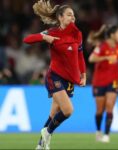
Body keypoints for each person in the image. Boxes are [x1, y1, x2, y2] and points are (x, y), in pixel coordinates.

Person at [23, 0, 86, 149]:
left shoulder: (77, 34)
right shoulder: (52, 33)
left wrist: (83, 74)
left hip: (70, 79)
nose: (73, 18)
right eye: (69, 15)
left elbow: (80, 55)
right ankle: (47, 132)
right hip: (55, 76)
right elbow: (27, 40)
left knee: (53, 114)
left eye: (74, 15)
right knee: (68, 110)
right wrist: (44, 37)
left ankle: (40, 145)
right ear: (60, 17)